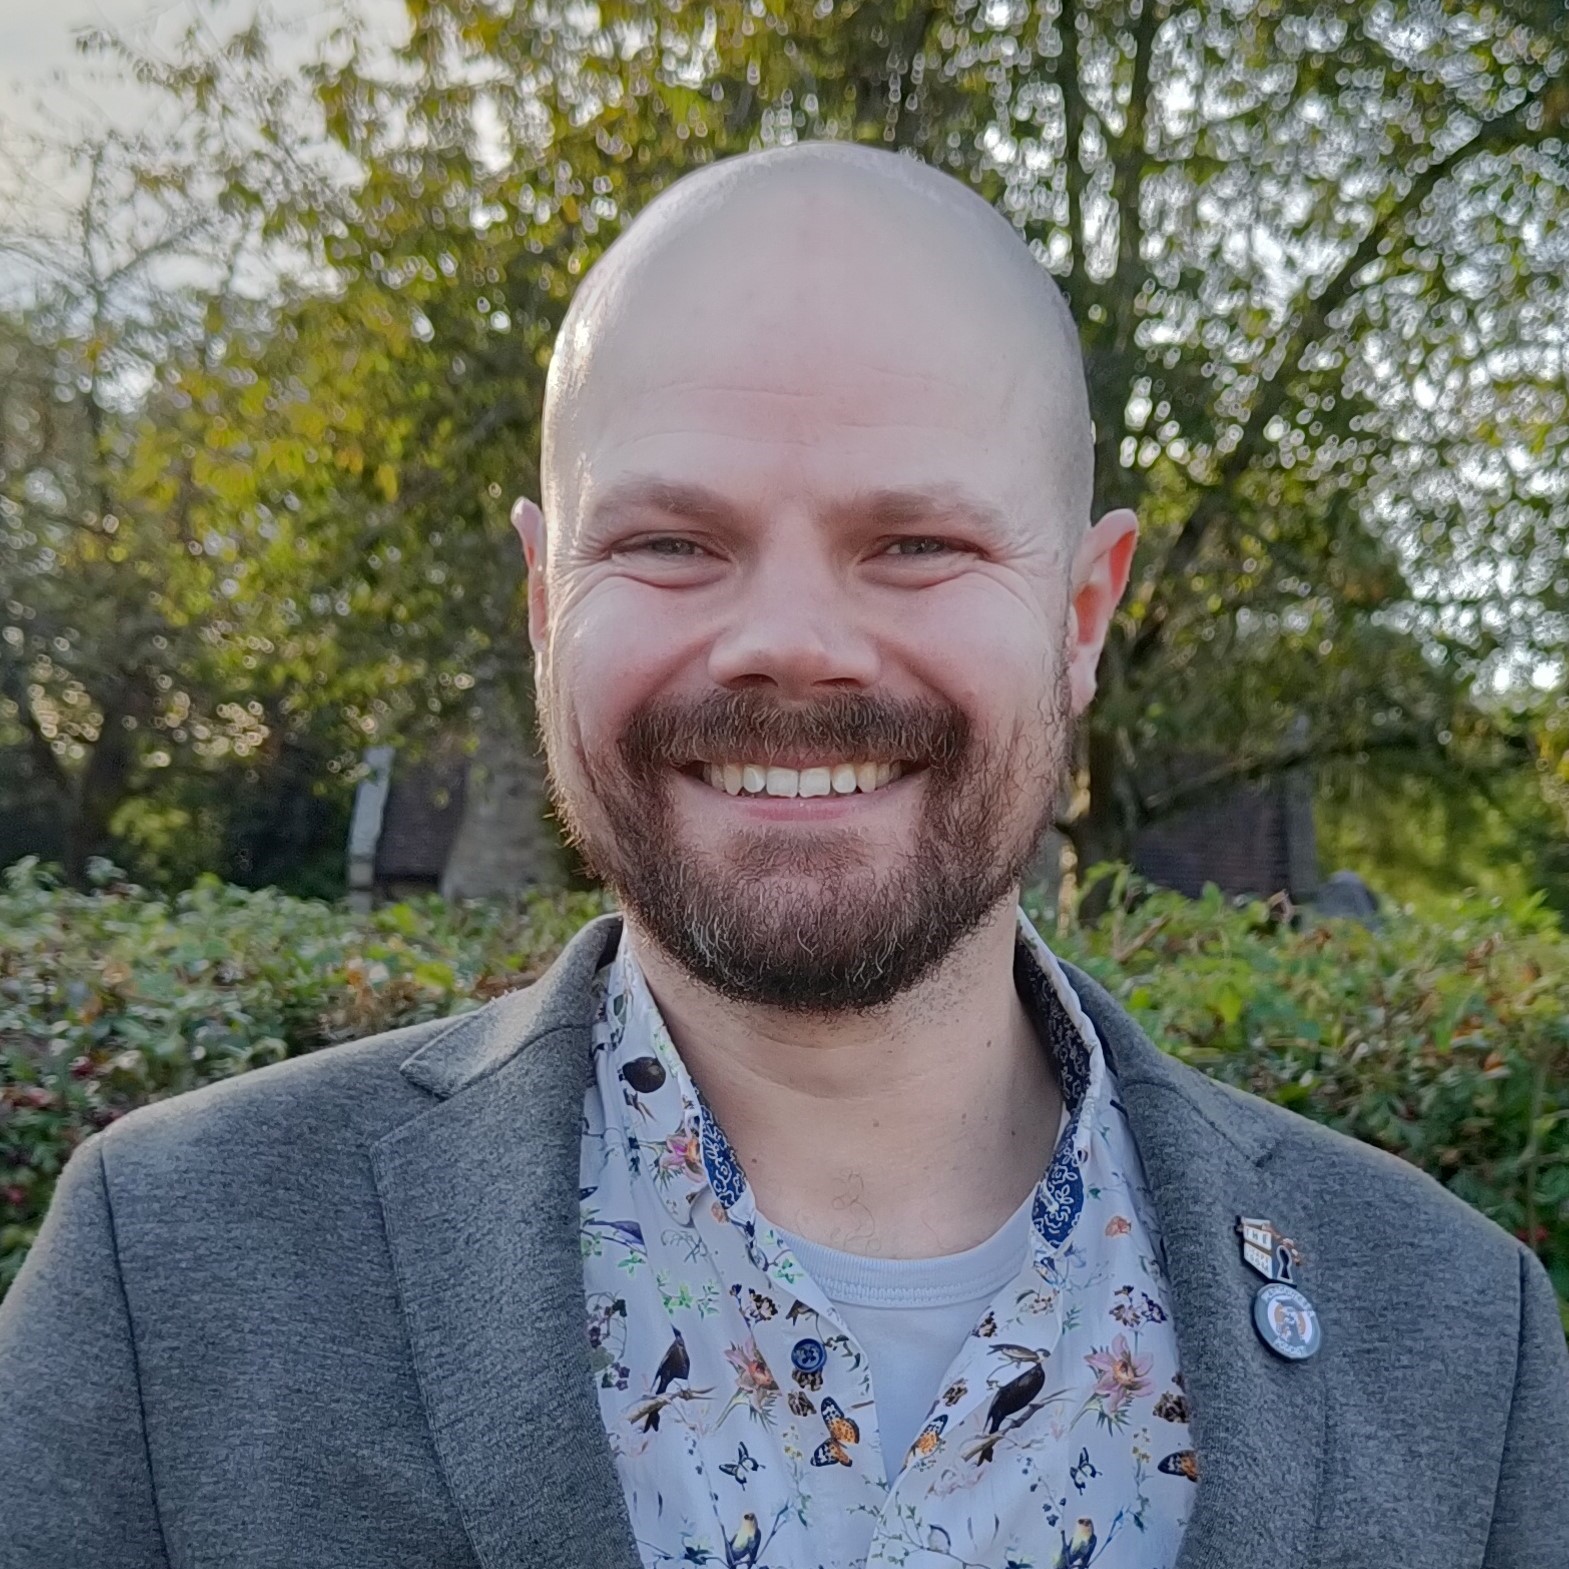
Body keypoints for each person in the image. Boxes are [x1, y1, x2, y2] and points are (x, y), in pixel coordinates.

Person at [1, 142, 1565, 1569]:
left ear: (1081, 615)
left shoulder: (1452, 1337)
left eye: (916, 544)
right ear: (548, 605)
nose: (793, 644)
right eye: (671, 541)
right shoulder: (167, 1278)